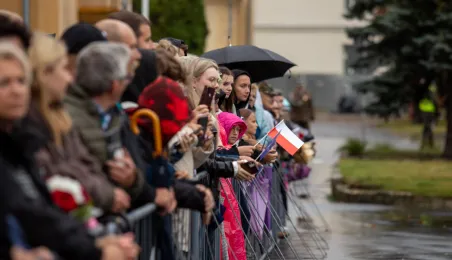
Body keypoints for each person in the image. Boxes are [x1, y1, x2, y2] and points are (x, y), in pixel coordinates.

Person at [0, 41, 137, 260]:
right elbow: (32, 209)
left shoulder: (24, 138)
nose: (16, 90)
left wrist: (94, 241)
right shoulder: (30, 134)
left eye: (20, 81)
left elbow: (42, 205)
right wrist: (96, 247)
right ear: (43, 74)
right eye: (4, 83)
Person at [27, 33, 128, 213]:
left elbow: (85, 164)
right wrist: (109, 195)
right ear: (44, 73)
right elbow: (60, 172)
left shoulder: (60, 117)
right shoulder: (30, 123)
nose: (69, 78)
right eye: (64, 69)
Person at [65, 42, 145, 204]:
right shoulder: (68, 116)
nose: (128, 84)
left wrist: (132, 179)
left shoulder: (114, 115)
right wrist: (109, 196)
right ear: (115, 85)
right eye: (127, 78)